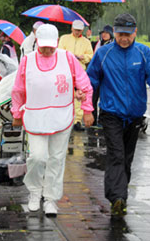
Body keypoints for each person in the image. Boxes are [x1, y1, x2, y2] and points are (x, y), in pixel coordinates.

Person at [87, 13, 150, 216]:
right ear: (114, 32)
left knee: (127, 158)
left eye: (128, 35)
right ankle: (117, 197)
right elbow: (92, 81)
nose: (124, 38)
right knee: (116, 154)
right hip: (111, 112)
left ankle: (119, 194)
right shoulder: (103, 53)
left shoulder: (143, 52)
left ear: (135, 33)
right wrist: (89, 108)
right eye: (121, 34)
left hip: (134, 115)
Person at [11, 23, 94, 217]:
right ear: (37, 42)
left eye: (51, 45)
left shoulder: (67, 58)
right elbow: (18, 89)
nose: (47, 49)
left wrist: (87, 108)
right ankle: (34, 191)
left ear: (57, 42)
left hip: (61, 116)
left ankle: (50, 199)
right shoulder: (28, 60)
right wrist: (16, 114)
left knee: (57, 159)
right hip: (35, 117)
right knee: (37, 157)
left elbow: (84, 84)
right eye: (43, 45)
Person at [58, 19, 94, 131]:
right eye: (75, 30)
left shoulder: (86, 42)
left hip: (79, 72)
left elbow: (90, 55)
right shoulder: (64, 38)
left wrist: (83, 57)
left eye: (79, 30)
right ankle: (64, 119)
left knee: (80, 96)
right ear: (71, 28)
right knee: (65, 94)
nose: (77, 32)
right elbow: (59, 52)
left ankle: (77, 121)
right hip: (65, 71)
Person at [91, 25, 114, 126]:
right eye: (103, 33)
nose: (104, 35)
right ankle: (93, 120)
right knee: (93, 98)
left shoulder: (113, 45)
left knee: (104, 99)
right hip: (96, 75)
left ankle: (101, 121)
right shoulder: (97, 44)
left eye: (106, 33)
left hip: (106, 76)